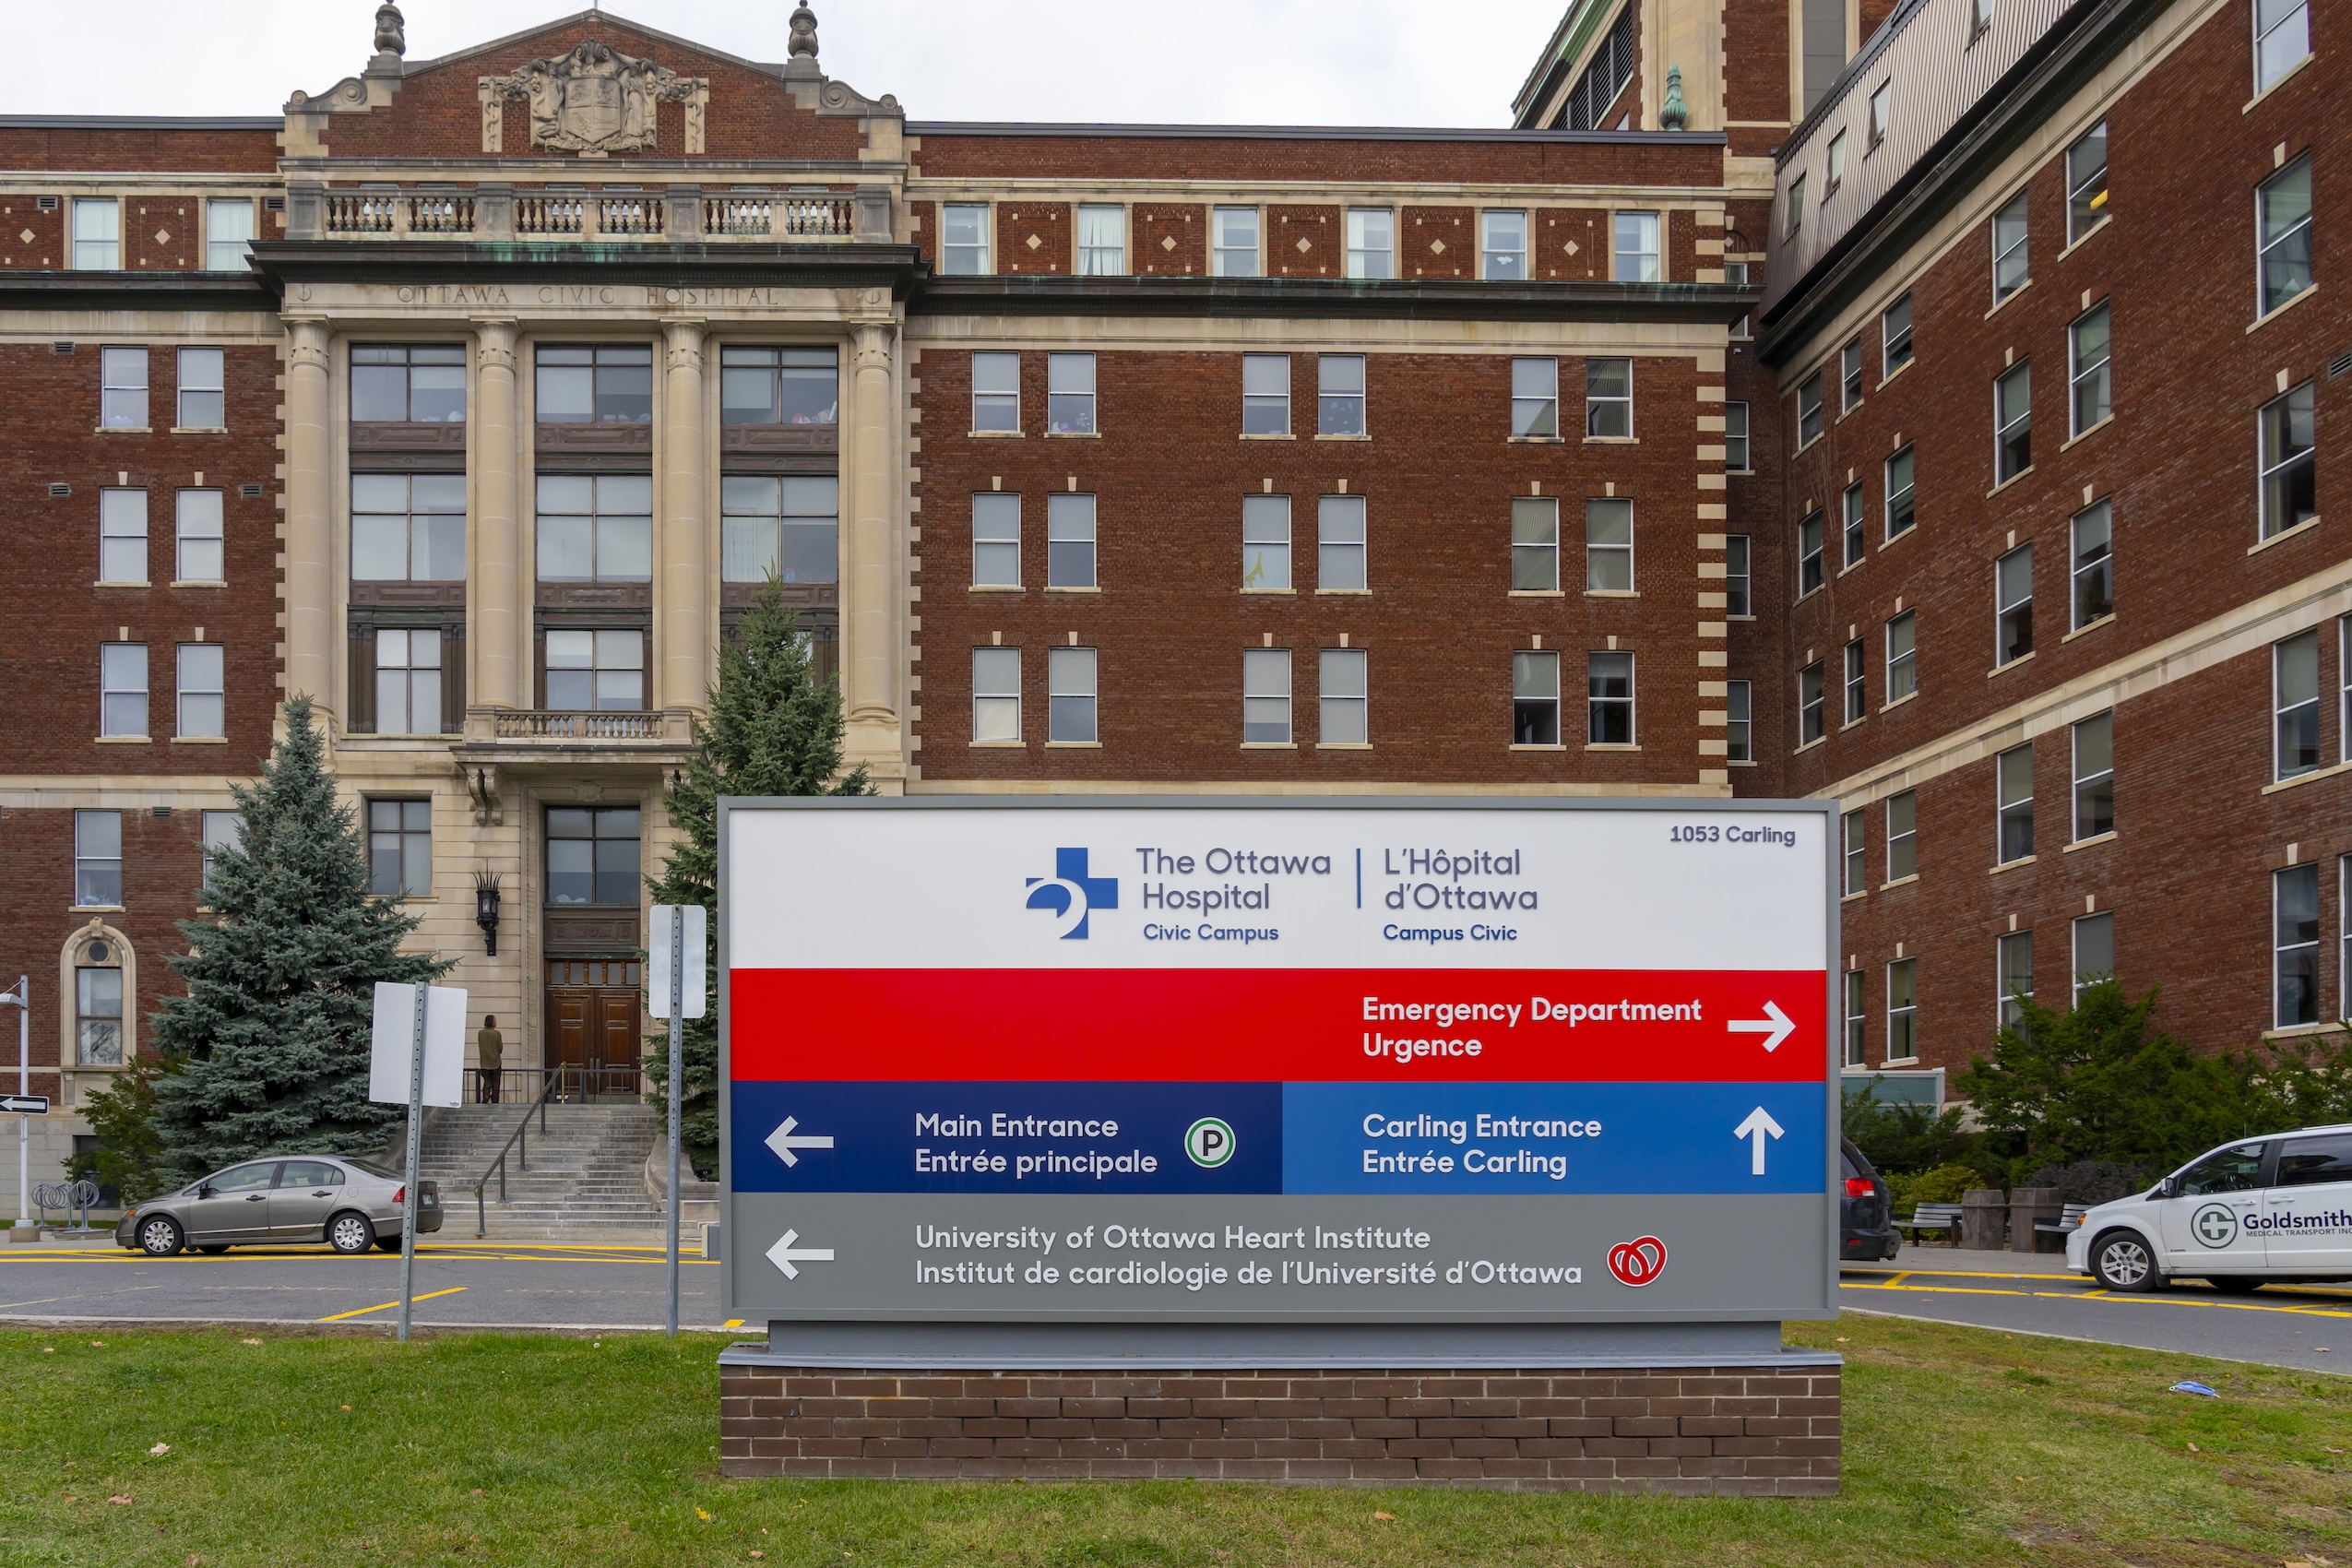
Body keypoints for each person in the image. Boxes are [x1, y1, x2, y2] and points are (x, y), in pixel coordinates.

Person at [477, 1015, 504, 1103]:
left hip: (484, 1063)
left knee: (487, 1082)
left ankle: (485, 1097)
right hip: (495, 1063)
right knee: (496, 1084)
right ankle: (494, 1100)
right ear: (492, 1022)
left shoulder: (481, 1033)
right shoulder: (497, 1033)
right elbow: (500, 1048)